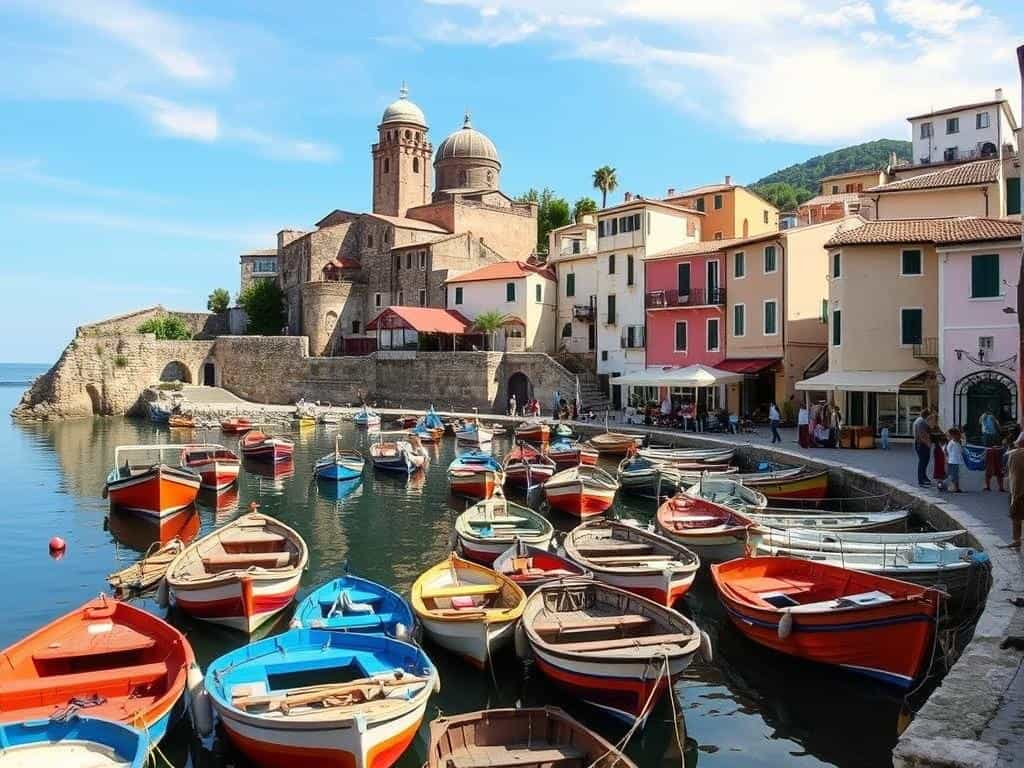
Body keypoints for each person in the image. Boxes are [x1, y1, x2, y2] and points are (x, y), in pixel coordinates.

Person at [1005, 432, 1024, 548]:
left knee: (1016, 516)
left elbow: (1013, 475)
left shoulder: (1014, 455)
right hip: (1019, 489)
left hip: (1018, 490)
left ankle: (1017, 540)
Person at [913, 408, 932, 486]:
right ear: (927, 415)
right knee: (923, 462)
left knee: (923, 461)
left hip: (918, 443)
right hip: (922, 444)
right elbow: (922, 435)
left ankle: (924, 477)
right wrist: (928, 443)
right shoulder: (922, 422)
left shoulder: (918, 420)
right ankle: (921, 480)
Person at [944, 428, 964, 493]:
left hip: (955, 461)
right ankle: (954, 487)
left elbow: (960, 450)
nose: (948, 437)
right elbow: (948, 450)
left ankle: (956, 487)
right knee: (953, 474)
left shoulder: (957, 442)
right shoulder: (952, 443)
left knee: (955, 474)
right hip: (953, 461)